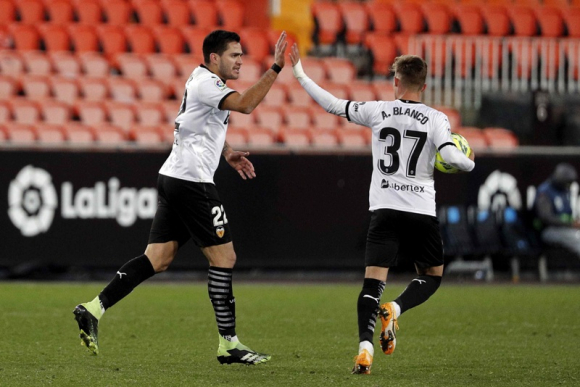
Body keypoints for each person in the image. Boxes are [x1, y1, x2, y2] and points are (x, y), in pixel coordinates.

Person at [73, 30, 288, 365]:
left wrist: (227, 152)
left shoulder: (202, 81)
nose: (240, 61)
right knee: (224, 258)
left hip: (174, 177)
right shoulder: (207, 83)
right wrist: (275, 68)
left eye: (242, 54)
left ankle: (93, 309)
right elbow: (245, 104)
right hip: (192, 183)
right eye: (234, 55)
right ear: (214, 58)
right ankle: (229, 344)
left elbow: (196, 124)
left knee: (157, 258)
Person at [288, 45, 475, 374]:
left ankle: (364, 349)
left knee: (371, 284)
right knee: (432, 275)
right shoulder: (436, 118)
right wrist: (469, 164)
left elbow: (333, 104)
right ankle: (397, 308)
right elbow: (452, 154)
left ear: (396, 81)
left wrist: (301, 74)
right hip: (421, 211)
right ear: (425, 86)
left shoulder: (379, 111)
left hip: (385, 209)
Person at [533, 162, 580, 257]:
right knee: (577, 238)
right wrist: (571, 224)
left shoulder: (566, 191)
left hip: (566, 228)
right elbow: (546, 218)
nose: (569, 185)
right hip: (547, 231)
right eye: (567, 182)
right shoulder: (545, 191)